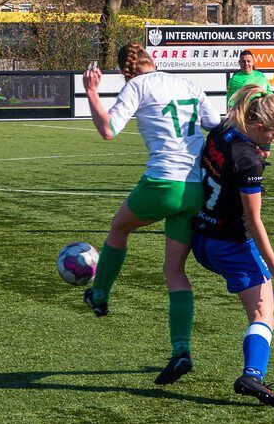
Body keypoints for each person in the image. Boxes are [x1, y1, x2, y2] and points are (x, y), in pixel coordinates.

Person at [81, 42, 221, 385]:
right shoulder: (186, 83)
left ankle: (99, 293)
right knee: (174, 270)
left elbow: (108, 130)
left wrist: (92, 92)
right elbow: (215, 125)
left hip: (163, 183)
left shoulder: (136, 86)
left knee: (118, 230)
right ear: (153, 60)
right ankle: (181, 350)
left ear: (126, 70)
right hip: (196, 187)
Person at [192, 84, 274, 406]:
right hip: (231, 244)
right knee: (265, 314)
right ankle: (252, 375)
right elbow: (254, 220)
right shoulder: (248, 159)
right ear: (258, 126)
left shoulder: (225, 128)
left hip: (200, 236)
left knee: (264, 299)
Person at [227, 50, 273, 160]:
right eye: (243, 61)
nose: (246, 64)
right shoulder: (235, 79)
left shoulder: (260, 76)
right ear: (239, 62)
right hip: (244, 118)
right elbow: (231, 99)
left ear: (253, 62)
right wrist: (231, 113)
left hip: (261, 116)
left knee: (266, 152)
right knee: (245, 147)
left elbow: (268, 93)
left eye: (248, 61)